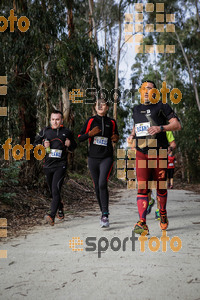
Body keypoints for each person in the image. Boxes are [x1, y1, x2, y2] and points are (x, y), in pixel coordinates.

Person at [128, 80, 181, 234]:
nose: (146, 91)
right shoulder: (136, 109)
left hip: (159, 152)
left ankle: (162, 212)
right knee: (142, 187)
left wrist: (160, 128)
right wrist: (132, 135)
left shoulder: (162, 106)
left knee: (160, 187)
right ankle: (142, 222)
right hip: (141, 153)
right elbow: (137, 125)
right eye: (143, 88)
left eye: (149, 89)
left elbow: (177, 124)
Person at [78, 99, 119, 228]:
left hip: (106, 157)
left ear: (107, 107)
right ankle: (103, 212)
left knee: (102, 183)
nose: (101, 106)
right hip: (93, 158)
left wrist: (116, 138)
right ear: (95, 107)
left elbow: (116, 135)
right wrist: (89, 134)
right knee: (97, 186)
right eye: (98, 105)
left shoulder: (111, 122)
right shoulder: (90, 121)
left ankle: (105, 214)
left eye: (104, 104)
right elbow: (79, 138)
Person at [34, 110, 77, 226]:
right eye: (53, 119)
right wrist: (42, 145)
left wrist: (69, 144)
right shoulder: (45, 131)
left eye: (57, 119)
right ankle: (60, 207)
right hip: (47, 165)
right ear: (50, 120)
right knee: (53, 192)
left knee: (56, 189)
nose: (55, 122)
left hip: (60, 165)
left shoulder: (66, 132)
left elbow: (74, 146)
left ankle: (51, 216)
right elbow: (34, 145)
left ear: (61, 120)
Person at [148, 131, 177, 220]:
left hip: (160, 158)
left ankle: (158, 210)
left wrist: (170, 148)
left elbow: (173, 144)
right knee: (146, 185)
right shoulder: (145, 125)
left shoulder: (165, 129)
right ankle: (150, 200)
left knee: (159, 186)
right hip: (147, 158)